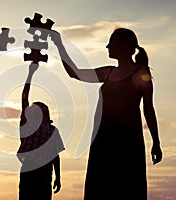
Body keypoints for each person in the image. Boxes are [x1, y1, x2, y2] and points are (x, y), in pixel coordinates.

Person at [51, 28, 163, 199]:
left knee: (126, 187)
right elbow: (75, 73)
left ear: (124, 44)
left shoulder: (141, 72)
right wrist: (58, 44)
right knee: (100, 187)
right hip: (102, 141)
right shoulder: (108, 72)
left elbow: (148, 108)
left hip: (127, 143)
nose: (107, 46)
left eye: (111, 42)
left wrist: (156, 142)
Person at [17, 63, 65, 200]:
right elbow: (55, 156)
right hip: (39, 171)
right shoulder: (33, 126)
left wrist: (58, 177)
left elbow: (55, 156)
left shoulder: (46, 129)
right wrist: (30, 74)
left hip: (37, 171)